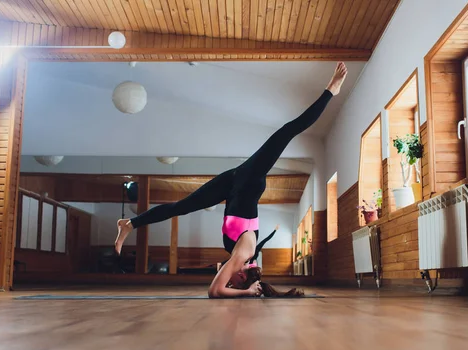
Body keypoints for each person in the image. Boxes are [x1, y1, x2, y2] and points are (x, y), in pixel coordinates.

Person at [114, 62, 348, 298]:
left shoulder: (240, 255)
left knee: (180, 207)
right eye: (236, 283)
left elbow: (220, 287)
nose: (230, 278)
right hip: (248, 180)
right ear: (243, 276)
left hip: (232, 184)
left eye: (232, 284)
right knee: (287, 131)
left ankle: (129, 224)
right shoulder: (243, 254)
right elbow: (215, 291)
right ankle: (331, 91)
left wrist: (245, 290)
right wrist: (245, 293)